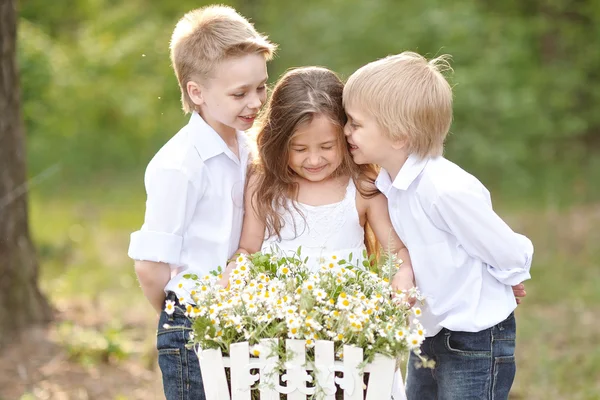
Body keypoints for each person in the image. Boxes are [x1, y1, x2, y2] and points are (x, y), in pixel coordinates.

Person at [343, 51, 533, 400]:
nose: (346, 131)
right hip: (429, 333)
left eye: (355, 124)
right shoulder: (391, 184)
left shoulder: (443, 188)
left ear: (398, 135)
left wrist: (510, 276)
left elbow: (505, 248)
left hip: (473, 339)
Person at [127, 5, 276, 399]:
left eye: (261, 87)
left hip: (241, 316)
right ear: (197, 93)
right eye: (239, 93)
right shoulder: (180, 165)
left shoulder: (247, 147)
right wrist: (177, 315)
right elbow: (150, 266)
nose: (256, 102)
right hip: (192, 321)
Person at [220, 66, 416, 300]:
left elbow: (396, 251)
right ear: (279, 142)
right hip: (279, 321)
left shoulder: (362, 186)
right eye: (299, 149)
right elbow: (249, 250)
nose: (314, 160)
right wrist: (234, 270)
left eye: (327, 147)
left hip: (346, 322)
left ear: (346, 137)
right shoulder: (264, 183)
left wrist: (404, 272)